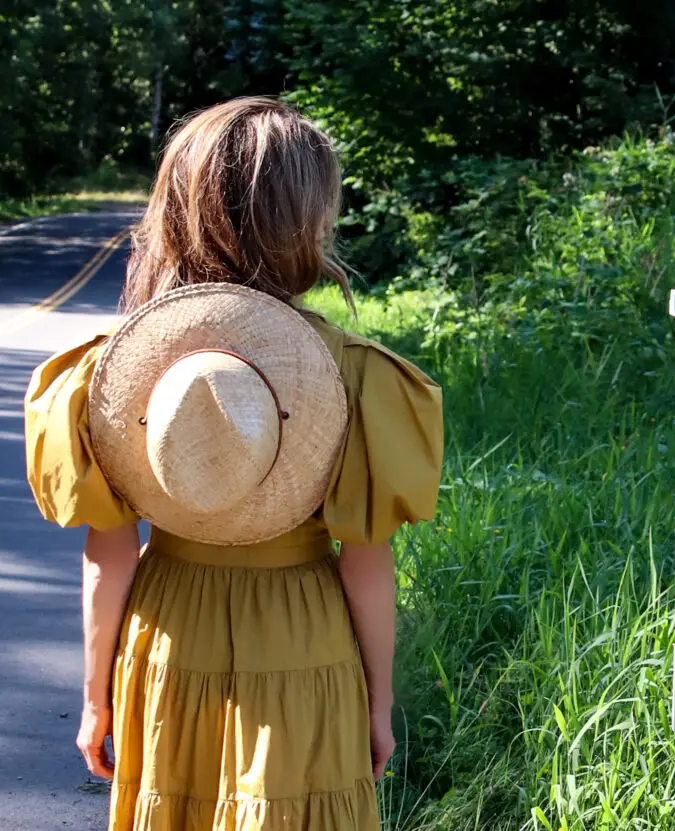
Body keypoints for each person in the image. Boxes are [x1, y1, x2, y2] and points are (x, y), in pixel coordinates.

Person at [23, 96, 444, 830]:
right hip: (302, 638)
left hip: (169, 637)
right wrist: (377, 705)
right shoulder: (360, 379)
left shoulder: (112, 375)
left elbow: (109, 549)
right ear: (307, 221)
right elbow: (366, 562)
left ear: (177, 214)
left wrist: (97, 696)